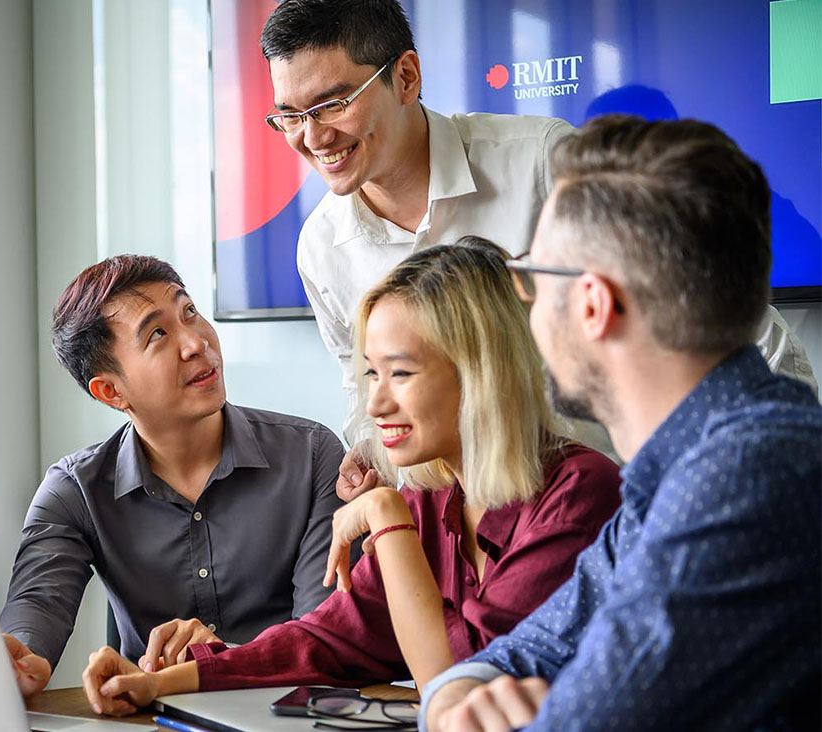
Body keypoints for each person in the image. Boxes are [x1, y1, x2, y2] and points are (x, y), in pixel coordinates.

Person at [259, 0, 815, 499]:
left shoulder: (541, 164)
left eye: (332, 105)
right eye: (289, 115)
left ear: (405, 76)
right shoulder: (322, 246)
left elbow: (714, 313)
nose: (311, 137)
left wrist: (790, 461)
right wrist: (372, 457)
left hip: (619, 503)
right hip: (474, 542)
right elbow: (362, 392)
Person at [77, 239, 622, 716]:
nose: (377, 403)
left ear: (482, 371)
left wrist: (386, 516)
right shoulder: (433, 499)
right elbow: (327, 638)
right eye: (372, 373)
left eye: (401, 373)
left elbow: (459, 688)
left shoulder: (580, 494)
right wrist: (159, 683)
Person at [420, 117, 821, 731]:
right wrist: (454, 701)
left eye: (532, 276)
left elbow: (588, 721)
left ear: (591, 304)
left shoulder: (744, 476)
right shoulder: (674, 470)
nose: (526, 305)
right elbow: (529, 650)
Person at [0, 254, 346, 697]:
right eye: (158, 334)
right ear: (112, 391)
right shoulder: (76, 491)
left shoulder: (312, 455)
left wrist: (223, 658)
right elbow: (37, 603)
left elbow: (327, 636)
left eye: (190, 313)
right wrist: (18, 659)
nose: (196, 343)